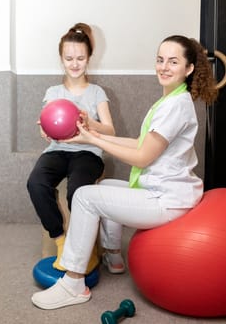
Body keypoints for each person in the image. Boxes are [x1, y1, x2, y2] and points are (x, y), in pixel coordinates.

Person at [31, 35, 218, 310]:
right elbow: (141, 143)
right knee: (106, 185)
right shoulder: (170, 100)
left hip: (164, 199)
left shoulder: (177, 105)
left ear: (188, 69)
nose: (164, 67)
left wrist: (94, 141)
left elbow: (142, 156)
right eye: (160, 59)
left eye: (173, 61)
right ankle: (113, 255)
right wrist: (90, 135)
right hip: (163, 189)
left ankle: (73, 284)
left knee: (85, 196)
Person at [27, 22, 117, 274]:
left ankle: (83, 248)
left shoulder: (97, 92)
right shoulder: (53, 92)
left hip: (88, 152)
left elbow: (110, 130)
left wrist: (90, 123)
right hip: (57, 151)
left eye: (80, 58)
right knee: (36, 183)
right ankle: (61, 240)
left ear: (89, 58)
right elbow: (44, 124)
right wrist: (44, 129)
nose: (74, 63)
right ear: (61, 59)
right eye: (69, 58)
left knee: (78, 191)